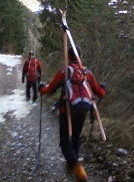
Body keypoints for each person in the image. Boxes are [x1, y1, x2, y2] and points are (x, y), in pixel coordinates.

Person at [38, 46, 106, 182]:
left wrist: (41, 88)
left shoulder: (64, 72)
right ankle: (71, 165)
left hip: (66, 110)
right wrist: (103, 87)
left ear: (68, 57)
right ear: (80, 56)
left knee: (64, 143)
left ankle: (77, 168)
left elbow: (49, 90)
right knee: (75, 137)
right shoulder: (87, 73)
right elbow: (100, 93)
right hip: (83, 109)